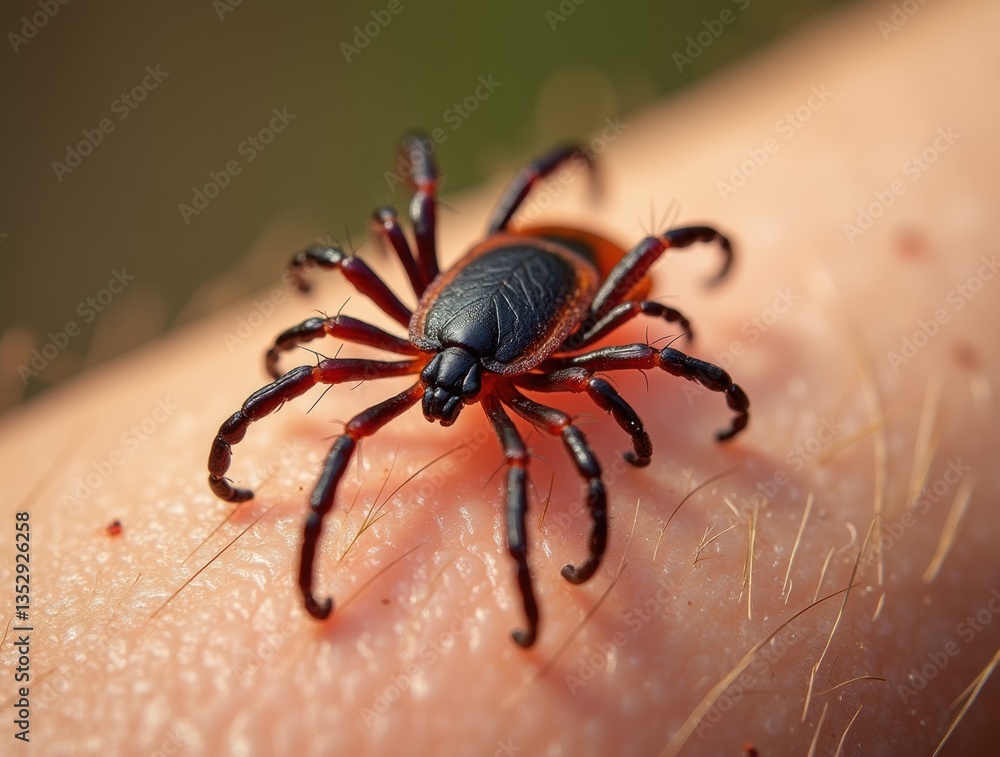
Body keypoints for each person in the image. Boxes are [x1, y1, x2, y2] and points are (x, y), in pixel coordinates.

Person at [2, 0, 997, 751]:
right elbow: (378, 263)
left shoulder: (537, 373)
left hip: (565, 283)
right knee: (380, 403)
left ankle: (532, 601)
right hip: (517, 282)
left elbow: (616, 384)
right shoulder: (417, 338)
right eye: (436, 376)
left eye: (443, 383)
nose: (438, 395)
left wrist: (653, 400)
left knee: (576, 408)